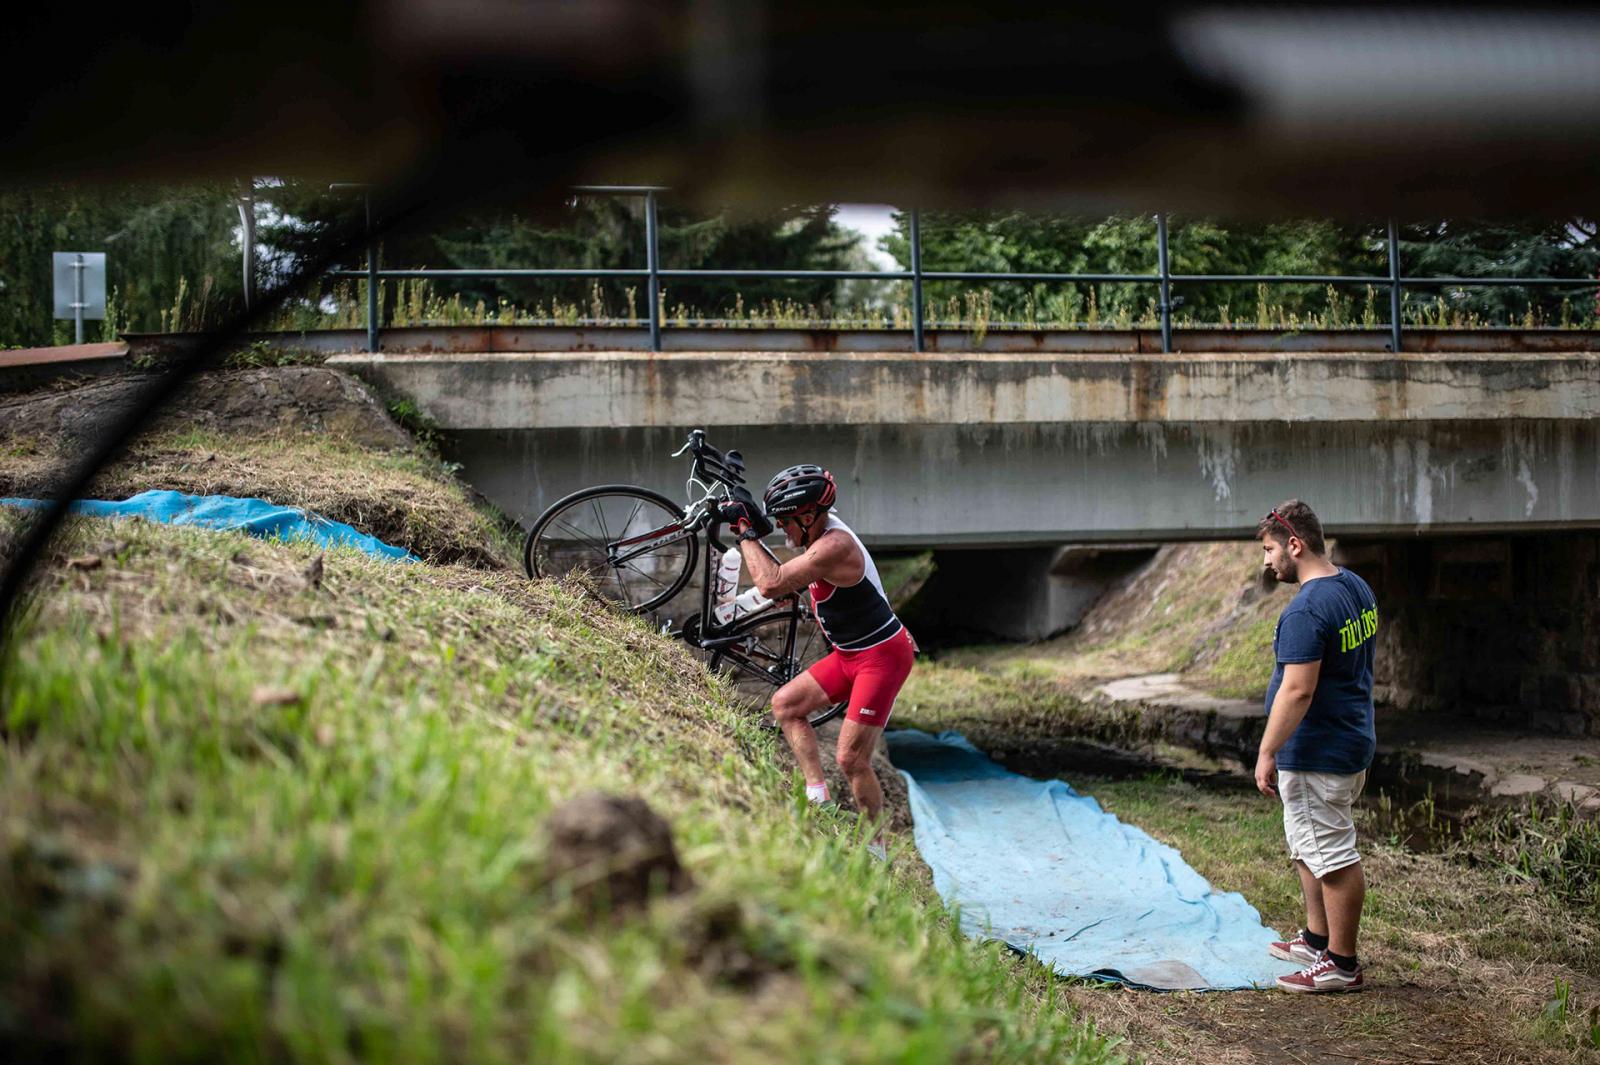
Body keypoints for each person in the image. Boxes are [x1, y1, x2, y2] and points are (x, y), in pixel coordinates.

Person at [718, 465, 915, 852]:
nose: (781, 529)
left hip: (882, 656)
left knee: (851, 758)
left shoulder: (834, 546)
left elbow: (771, 582)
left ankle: (877, 848)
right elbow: (786, 578)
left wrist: (745, 533)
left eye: (784, 522)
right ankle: (817, 796)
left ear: (808, 517)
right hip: (849, 654)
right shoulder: (817, 534)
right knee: (786, 705)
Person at [1255, 500, 1379, 994]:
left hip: (1318, 752)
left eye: (1268, 550)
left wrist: (1267, 751)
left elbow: (1298, 690)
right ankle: (1315, 939)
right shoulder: (1354, 586)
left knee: (1333, 855)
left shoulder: (1306, 608)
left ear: (1294, 545)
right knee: (1310, 845)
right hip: (1347, 738)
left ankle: (1341, 965)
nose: (1266, 562)